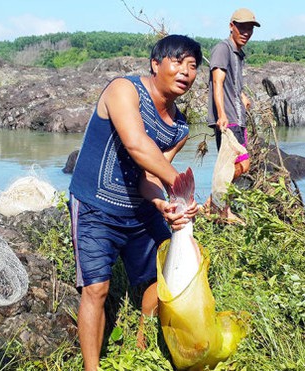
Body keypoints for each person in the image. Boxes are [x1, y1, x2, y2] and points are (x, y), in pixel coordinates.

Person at [67, 35, 201, 371]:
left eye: (193, 66)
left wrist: (165, 204)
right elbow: (138, 144)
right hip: (95, 206)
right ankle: (91, 367)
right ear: (156, 64)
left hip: (138, 210)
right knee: (96, 288)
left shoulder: (179, 127)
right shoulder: (123, 90)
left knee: (164, 268)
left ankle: (142, 342)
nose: (185, 71)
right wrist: (180, 186)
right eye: (177, 62)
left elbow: (149, 179)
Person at [205, 8, 260, 224]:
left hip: (238, 117)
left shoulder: (238, 53)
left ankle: (217, 206)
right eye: (242, 27)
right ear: (231, 26)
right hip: (229, 119)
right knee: (240, 165)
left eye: (250, 29)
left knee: (240, 164)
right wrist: (221, 114)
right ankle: (217, 206)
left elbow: (232, 84)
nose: (246, 32)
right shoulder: (223, 48)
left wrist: (243, 96)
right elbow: (217, 82)